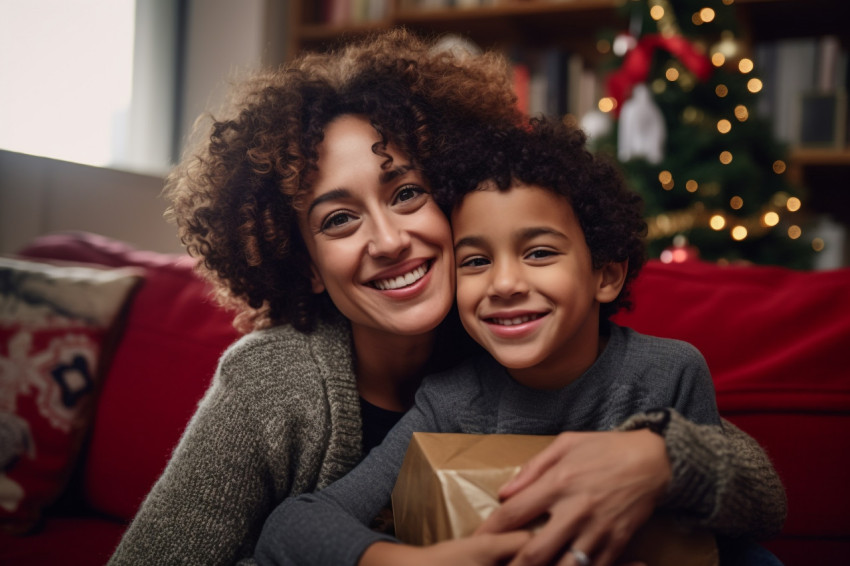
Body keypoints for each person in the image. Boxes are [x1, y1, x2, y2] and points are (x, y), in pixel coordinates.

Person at [109, 29, 783, 566]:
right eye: (339, 219)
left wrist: (658, 456)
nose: (389, 239)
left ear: (452, 202)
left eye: (406, 192)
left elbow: (748, 488)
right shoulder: (277, 381)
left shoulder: (507, 335)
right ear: (307, 264)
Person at [253, 118, 786, 566]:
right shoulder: (450, 401)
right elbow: (294, 522)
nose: (505, 284)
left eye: (539, 253)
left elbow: (752, 512)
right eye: (476, 262)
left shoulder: (666, 373)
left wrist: (667, 460)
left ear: (605, 275)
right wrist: (400, 561)